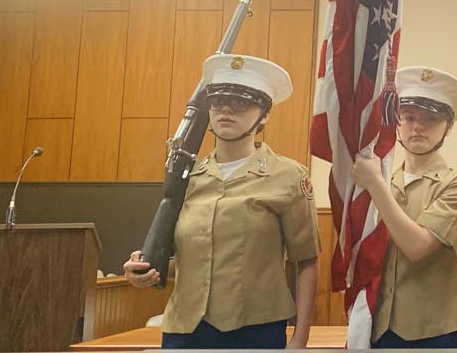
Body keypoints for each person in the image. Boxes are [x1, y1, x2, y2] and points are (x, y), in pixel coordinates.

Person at [124, 53, 319, 350]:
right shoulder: (185, 180)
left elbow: (305, 261)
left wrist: (300, 338)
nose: (227, 109)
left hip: (255, 331)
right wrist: (145, 268)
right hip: (183, 331)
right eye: (217, 101)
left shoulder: (288, 176)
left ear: (264, 114)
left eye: (241, 102)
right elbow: (193, 260)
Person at [351, 66, 457, 348]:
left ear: (449, 126)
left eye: (431, 119)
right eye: (408, 117)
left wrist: (374, 185)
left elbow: (417, 247)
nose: (417, 126)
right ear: (397, 122)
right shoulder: (386, 180)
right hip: (384, 325)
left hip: (441, 329)